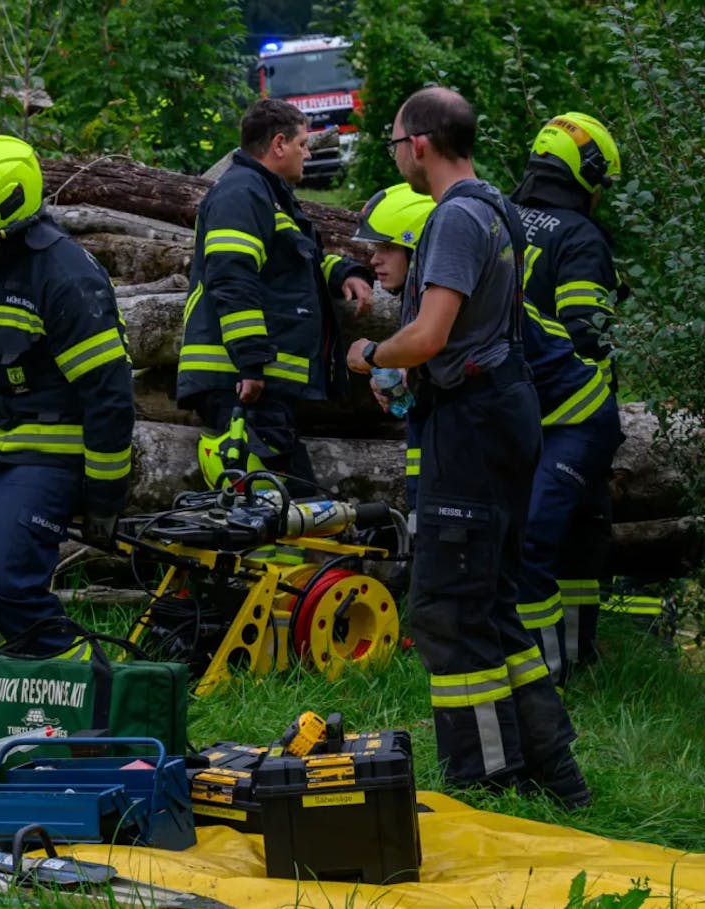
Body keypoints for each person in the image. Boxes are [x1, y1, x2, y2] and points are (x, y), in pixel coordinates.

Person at [345, 87, 588, 807]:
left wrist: (372, 355)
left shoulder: (454, 217)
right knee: (492, 600)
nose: (397, 155)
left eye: (394, 143)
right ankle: (556, 770)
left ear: (419, 143)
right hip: (501, 411)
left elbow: (430, 335)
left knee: (448, 607)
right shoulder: (498, 206)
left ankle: (486, 776)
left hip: (474, 426)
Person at [356, 183, 623, 688]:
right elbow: (426, 407)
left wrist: (374, 358)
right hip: (537, 423)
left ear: (418, 247)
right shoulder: (422, 303)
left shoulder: (454, 303)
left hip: (577, 419)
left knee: (533, 541)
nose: (373, 259)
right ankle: (531, 671)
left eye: (385, 246)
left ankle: (550, 681)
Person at [0, 135, 134, 659]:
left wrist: (104, 498)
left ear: (6, 209)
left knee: (3, 584)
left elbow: (110, 395)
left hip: (52, 454)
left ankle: (95, 682)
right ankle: (11, 664)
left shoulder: (65, 275)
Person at [177, 98, 374, 489]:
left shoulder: (269, 194)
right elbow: (232, 278)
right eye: (303, 143)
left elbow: (296, 263)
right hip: (238, 382)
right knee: (281, 504)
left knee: (277, 504)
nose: (307, 152)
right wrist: (250, 363)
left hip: (253, 381)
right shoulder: (241, 194)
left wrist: (344, 274)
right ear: (279, 144)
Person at [511, 112, 626, 669]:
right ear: (587, 176)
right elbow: (587, 330)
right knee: (569, 537)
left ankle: (576, 656)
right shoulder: (581, 237)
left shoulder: (501, 217)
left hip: (516, 406)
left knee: (575, 531)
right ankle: (555, 669)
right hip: (574, 412)